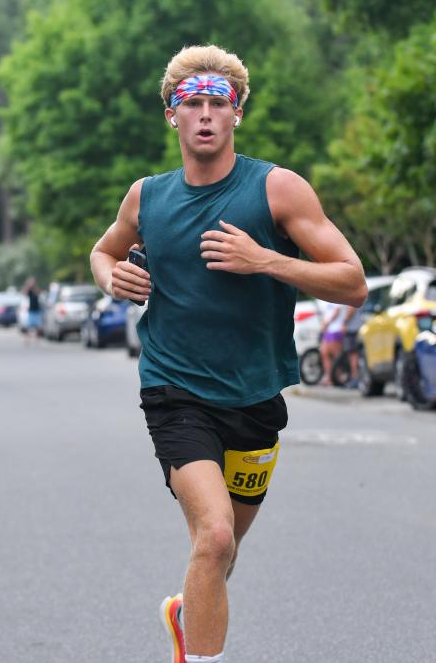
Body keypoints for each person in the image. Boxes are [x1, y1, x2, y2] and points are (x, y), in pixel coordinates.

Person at [89, 45, 367, 662]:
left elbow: (352, 281)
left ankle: (186, 613)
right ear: (173, 115)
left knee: (222, 553)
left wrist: (264, 260)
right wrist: (111, 277)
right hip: (174, 391)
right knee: (213, 537)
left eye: (220, 103)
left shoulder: (277, 189)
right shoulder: (147, 198)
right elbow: (103, 250)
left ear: (237, 112)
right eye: (194, 104)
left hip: (256, 395)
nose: (207, 115)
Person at [318, 301, 350, 386]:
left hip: (336, 329)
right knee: (324, 352)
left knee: (336, 356)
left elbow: (337, 311)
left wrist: (326, 323)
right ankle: (328, 377)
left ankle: (338, 377)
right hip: (328, 329)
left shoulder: (338, 296)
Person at [21, 277, 42, 343]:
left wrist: (34, 287)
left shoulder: (36, 289)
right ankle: (27, 339)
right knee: (28, 326)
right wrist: (27, 286)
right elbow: (23, 293)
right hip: (31, 310)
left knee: (38, 327)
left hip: (37, 310)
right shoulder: (29, 291)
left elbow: (38, 293)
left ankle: (37, 339)